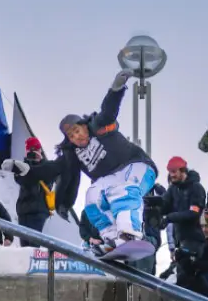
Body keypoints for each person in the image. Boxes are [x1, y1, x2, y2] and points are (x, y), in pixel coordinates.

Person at [54, 71, 159, 255]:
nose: (77, 137)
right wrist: (63, 202)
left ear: (84, 126)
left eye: (77, 130)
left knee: (124, 190)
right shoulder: (74, 154)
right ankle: (112, 237)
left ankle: (130, 234)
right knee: (92, 198)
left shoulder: (98, 126)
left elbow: (109, 110)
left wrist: (116, 88)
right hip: (110, 178)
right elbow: (66, 176)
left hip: (137, 165)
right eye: (71, 136)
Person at [160, 156, 208, 295]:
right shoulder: (173, 189)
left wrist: (169, 217)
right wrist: (155, 202)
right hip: (180, 239)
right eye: (170, 172)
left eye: (174, 172)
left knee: (188, 278)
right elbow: (164, 206)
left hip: (194, 239)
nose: (172, 175)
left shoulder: (196, 188)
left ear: (183, 171)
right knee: (189, 278)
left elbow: (193, 213)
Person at [2, 137, 61, 240]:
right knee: (24, 243)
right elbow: (20, 179)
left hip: (39, 210)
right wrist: (26, 165)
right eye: (30, 150)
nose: (34, 152)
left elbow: (52, 178)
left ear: (40, 150)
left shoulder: (47, 166)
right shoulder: (22, 166)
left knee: (34, 242)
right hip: (23, 210)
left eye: (36, 148)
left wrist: (40, 162)